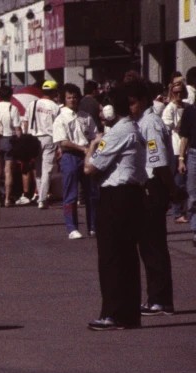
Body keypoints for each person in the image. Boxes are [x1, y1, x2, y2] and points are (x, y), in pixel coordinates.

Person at [84, 85, 148, 330]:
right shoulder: (133, 128)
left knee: (111, 257)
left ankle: (111, 313)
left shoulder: (117, 132)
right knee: (127, 257)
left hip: (116, 197)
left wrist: (92, 146)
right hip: (131, 196)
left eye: (103, 105)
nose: (101, 109)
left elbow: (91, 168)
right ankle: (129, 315)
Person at [130, 80, 177, 317]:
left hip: (153, 186)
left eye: (133, 103)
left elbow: (158, 162)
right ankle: (157, 298)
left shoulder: (150, 124)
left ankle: (160, 300)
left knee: (154, 245)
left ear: (144, 101)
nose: (131, 108)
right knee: (149, 246)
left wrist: (172, 190)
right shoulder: (142, 122)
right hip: (148, 186)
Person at [53, 84, 100, 239]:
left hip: (87, 156)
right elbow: (63, 142)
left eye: (74, 97)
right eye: (69, 97)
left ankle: (93, 226)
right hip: (70, 157)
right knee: (71, 194)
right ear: (64, 99)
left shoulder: (85, 116)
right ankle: (72, 228)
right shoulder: (61, 118)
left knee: (92, 193)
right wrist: (82, 148)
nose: (72, 100)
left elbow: (95, 135)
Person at [23, 80, 60, 209]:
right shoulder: (55, 107)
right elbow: (58, 127)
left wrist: (26, 135)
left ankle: (40, 197)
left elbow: (25, 122)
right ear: (54, 92)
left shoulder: (32, 104)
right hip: (49, 138)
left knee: (38, 170)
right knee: (47, 170)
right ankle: (42, 199)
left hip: (33, 139)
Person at [162, 80, 190, 224]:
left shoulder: (188, 107)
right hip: (175, 147)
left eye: (181, 92)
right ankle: (177, 211)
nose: (178, 95)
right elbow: (169, 129)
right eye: (175, 92)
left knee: (187, 181)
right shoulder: (170, 109)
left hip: (188, 147)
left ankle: (186, 210)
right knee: (179, 180)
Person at [0, 85, 23, 207]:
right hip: (9, 139)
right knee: (8, 170)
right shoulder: (13, 108)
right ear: (10, 96)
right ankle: (7, 199)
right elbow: (17, 129)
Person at [178, 85, 196, 249]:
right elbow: (184, 137)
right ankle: (195, 230)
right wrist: (181, 159)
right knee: (192, 195)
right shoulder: (190, 111)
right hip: (194, 155)